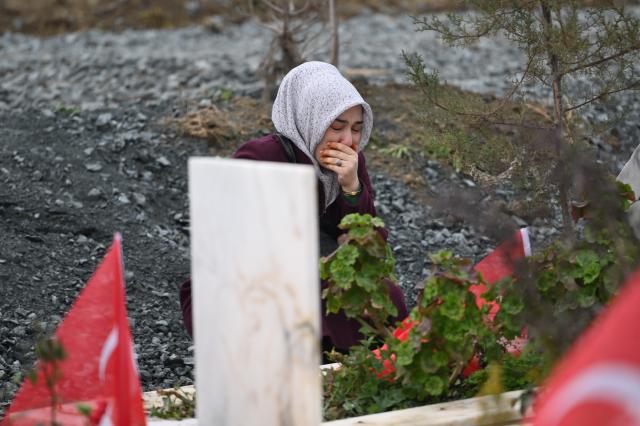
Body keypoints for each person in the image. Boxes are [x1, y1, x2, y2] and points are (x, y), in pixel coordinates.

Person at [179, 61, 407, 355]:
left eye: (356, 129)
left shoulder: (352, 163)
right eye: (336, 126)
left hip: (319, 272)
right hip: (255, 277)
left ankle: (347, 359)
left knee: (385, 295)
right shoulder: (261, 156)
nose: (347, 141)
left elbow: (370, 244)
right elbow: (228, 241)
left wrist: (352, 189)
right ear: (310, 118)